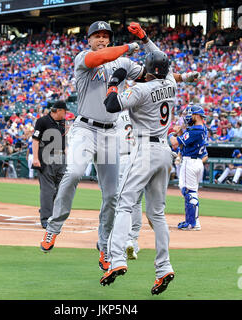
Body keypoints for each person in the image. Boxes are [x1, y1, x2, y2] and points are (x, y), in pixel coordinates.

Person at [39, 20, 147, 271]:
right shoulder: (83, 58)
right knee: (74, 172)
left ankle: (104, 247)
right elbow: (100, 58)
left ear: (109, 38)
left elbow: (149, 74)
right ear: (88, 40)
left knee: (111, 196)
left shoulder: (123, 63)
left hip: (111, 133)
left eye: (104, 35)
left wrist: (146, 42)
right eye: (96, 36)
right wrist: (130, 45)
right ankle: (53, 227)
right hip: (85, 128)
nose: (100, 39)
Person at [100, 50, 189, 295]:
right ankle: (164, 267)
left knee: (124, 204)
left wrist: (114, 82)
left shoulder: (142, 90)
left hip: (145, 149)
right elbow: (161, 63)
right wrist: (145, 41)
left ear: (147, 70)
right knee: (157, 214)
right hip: (164, 152)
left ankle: (117, 259)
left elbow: (111, 105)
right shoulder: (170, 83)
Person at [169, 104, 208, 231]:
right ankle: (193, 221)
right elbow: (185, 143)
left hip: (190, 163)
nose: (188, 117)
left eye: (190, 114)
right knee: (191, 191)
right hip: (196, 162)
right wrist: (180, 132)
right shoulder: (202, 129)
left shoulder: (195, 130)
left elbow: (174, 143)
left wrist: (171, 133)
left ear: (197, 116)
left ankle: (191, 222)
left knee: (188, 191)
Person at [32, 100, 68, 229]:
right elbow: (35, 140)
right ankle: (46, 218)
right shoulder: (42, 121)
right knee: (47, 190)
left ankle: (46, 210)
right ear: (58, 110)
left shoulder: (63, 123)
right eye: (64, 112)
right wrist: (35, 158)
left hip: (61, 158)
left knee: (60, 189)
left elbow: (64, 143)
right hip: (46, 157)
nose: (65, 114)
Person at [116, 108, 142, 260]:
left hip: (122, 159)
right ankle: (133, 239)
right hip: (141, 158)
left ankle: (123, 240)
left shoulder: (116, 115)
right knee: (137, 202)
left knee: (121, 201)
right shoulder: (142, 113)